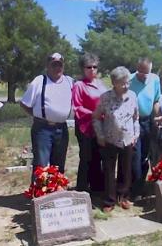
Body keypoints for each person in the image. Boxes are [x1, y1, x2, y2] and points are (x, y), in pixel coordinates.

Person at [93, 66, 140, 212]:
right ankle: (109, 200)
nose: (126, 86)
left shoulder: (132, 96)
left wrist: (135, 134)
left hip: (127, 139)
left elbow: (136, 118)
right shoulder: (105, 98)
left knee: (126, 170)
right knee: (108, 170)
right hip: (110, 139)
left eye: (128, 83)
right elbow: (96, 118)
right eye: (123, 83)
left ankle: (123, 197)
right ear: (114, 83)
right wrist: (100, 135)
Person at [20, 52, 73, 181]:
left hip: (62, 129)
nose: (57, 68)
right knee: (41, 165)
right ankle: (38, 196)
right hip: (43, 129)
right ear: (47, 66)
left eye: (60, 65)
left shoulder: (70, 81)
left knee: (58, 165)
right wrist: (38, 116)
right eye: (54, 65)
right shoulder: (39, 81)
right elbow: (24, 104)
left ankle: (55, 193)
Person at [72, 53, 107, 193]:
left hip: (101, 127)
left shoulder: (101, 84)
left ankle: (97, 188)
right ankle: (81, 189)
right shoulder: (79, 85)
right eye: (88, 67)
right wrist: (93, 114)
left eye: (95, 67)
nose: (92, 69)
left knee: (98, 157)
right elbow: (77, 107)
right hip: (85, 127)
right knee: (86, 158)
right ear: (83, 68)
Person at [129, 57, 161, 200]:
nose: (143, 75)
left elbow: (156, 100)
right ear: (137, 68)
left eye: (146, 72)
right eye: (140, 71)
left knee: (144, 157)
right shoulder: (129, 79)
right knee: (135, 156)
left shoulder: (154, 80)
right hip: (132, 122)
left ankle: (140, 187)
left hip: (148, 121)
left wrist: (157, 117)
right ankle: (133, 190)